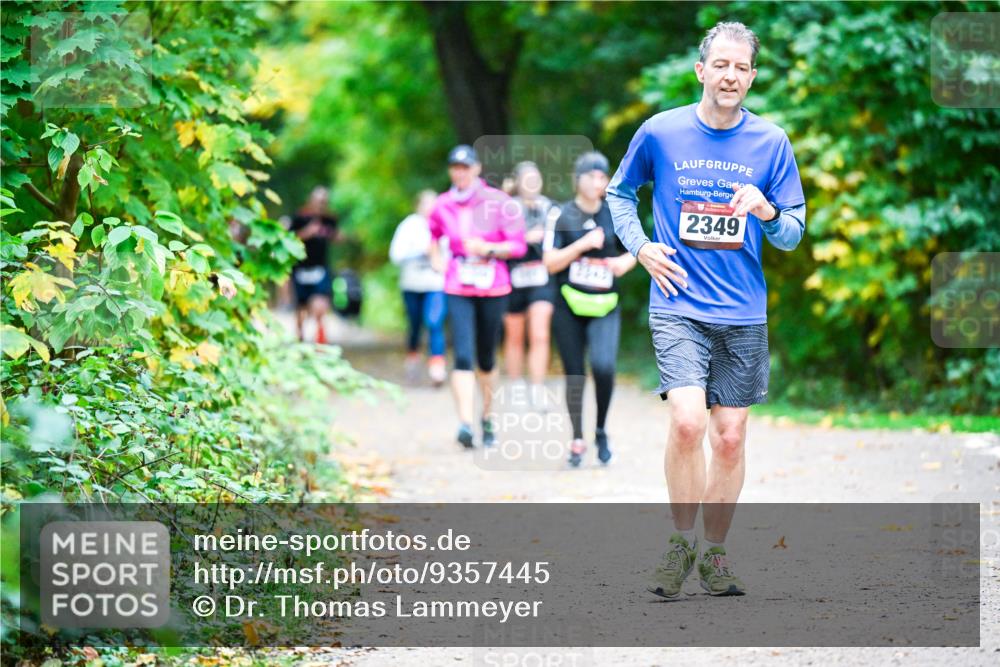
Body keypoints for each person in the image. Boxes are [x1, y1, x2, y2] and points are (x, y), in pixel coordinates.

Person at [607, 22, 806, 597]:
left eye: (741, 68)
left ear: (751, 77)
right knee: (689, 421)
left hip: (743, 310)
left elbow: (792, 232)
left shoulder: (771, 143)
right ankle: (679, 544)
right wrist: (641, 246)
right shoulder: (661, 133)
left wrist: (767, 211)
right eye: (721, 64)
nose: (730, 76)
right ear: (701, 70)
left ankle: (715, 555)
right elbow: (621, 194)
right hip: (678, 301)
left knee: (729, 436)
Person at [428, 145, 526, 448]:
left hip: (493, 284)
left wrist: (488, 250)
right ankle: (466, 424)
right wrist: (437, 261)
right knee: (463, 355)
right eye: (455, 167)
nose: (460, 172)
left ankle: (487, 417)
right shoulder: (442, 204)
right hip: (458, 285)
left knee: (485, 357)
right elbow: (433, 236)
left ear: (477, 169)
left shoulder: (498, 201)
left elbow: (518, 246)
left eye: (465, 167)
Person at [543, 152, 636, 467]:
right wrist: (582, 245)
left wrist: (622, 263)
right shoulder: (561, 215)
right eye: (592, 176)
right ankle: (577, 438)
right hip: (568, 304)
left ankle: (600, 430)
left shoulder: (616, 214)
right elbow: (549, 262)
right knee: (575, 374)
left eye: (603, 177)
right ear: (577, 179)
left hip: (605, 304)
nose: (598, 182)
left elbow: (635, 250)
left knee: (604, 366)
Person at [503, 161, 556, 410]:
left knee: (540, 333)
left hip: (541, 277)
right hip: (512, 277)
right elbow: (497, 240)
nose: (532, 184)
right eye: (527, 179)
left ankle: (537, 388)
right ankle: (516, 387)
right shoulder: (506, 208)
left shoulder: (550, 208)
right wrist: (525, 238)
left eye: (536, 179)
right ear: (518, 182)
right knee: (514, 336)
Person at [389, 190, 448, 386]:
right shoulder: (409, 226)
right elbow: (395, 255)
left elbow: (451, 253)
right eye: (426, 204)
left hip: (435, 283)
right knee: (415, 324)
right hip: (412, 284)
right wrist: (420, 252)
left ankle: (437, 367)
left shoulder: (445, 223)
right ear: (418, 205)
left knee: (434, 322)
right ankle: (413, 356)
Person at [289, 186, 340, 343]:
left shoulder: (330, 219)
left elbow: (336, 237)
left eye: (324, 201)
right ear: (311, 200)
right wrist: (307, 233)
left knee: (320, 304)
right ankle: (300, 338)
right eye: (318, 201)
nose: (321, 204)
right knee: (301, 308)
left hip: (320, 268)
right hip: (301, 268)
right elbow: (289, 239)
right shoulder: (299, 217)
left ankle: (320, 339)